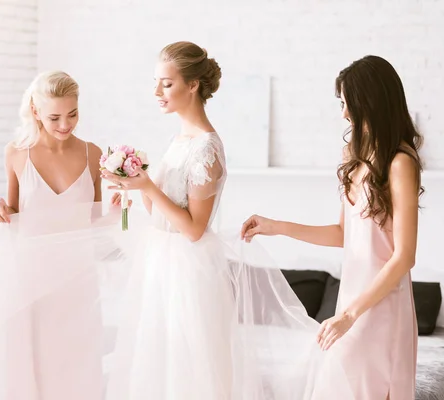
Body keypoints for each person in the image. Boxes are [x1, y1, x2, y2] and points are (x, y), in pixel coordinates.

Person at [102, 41, 354, 400]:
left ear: (192, 85)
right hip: (161, 266)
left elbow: (193, 229)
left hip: (189, 274)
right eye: (156, 82)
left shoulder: (207, 148)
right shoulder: (179, 139)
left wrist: (147, 186)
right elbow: (162, 213)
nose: (156, 91)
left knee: (189, 372)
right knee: (156, 367)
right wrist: (133, 189)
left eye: (167, 83)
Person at [241, 55, 422, 399]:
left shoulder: (400, 163)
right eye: (340, 103)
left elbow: (404, 257)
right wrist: (276, 226)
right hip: (351, 301)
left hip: (381, 306)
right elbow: (343, 234)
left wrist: (349, 316)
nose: (343, 114)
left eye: (347, 103)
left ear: (370, 101)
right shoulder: (351, 158)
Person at [0, 71, 105, 400]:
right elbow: (12, 212)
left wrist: (123, 207)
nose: (65, 125)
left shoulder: (93, 154)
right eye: (55, 117)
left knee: (77, 364)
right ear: (36, 112)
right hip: (30, 280)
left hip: (78, 280)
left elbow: (98, 223)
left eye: (73, 114)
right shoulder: (17, 153)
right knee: (31, 367)